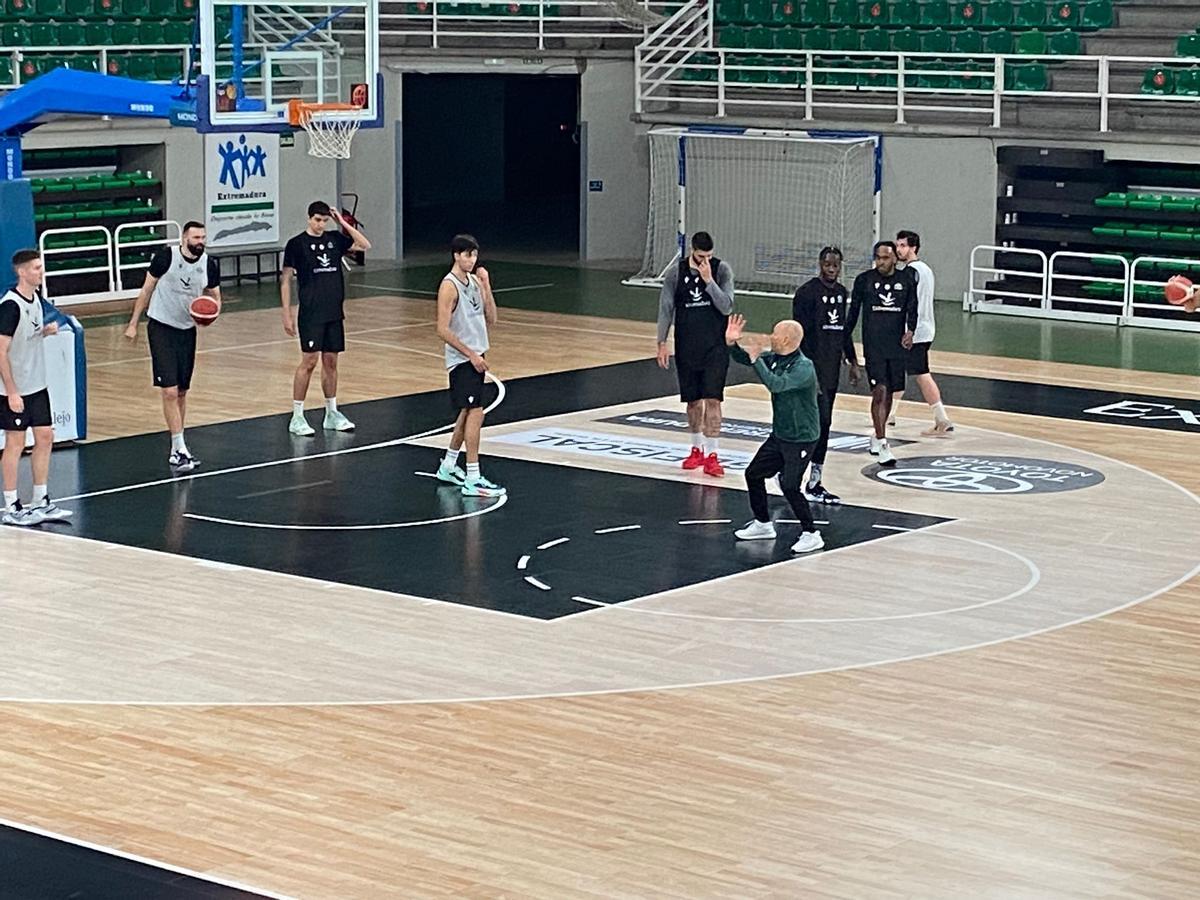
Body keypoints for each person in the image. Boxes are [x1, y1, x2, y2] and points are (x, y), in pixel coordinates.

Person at [124, 221, 221, 472]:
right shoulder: (166, 258)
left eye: (203, 237)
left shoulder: (209, 264)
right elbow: (146, 290)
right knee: (169, 390)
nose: (201, 241)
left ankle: (177, 447)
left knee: (181, 392)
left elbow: (215, 297)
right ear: (184, 239)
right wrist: (133, 323)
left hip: (187, 331)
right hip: (161, 326)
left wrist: (210, 314)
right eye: (196, 237)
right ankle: (179, 448)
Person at [726, 314, 823, 553]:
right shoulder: (776, 358)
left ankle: (812, 534)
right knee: (753, 474)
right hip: (781, 434)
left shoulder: (803, 367)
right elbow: (746, 359)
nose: (772, 336)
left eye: (776, 333)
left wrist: (756, 359)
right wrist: (731, 343)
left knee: (790, 486)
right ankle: (762, 524)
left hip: (802, 437)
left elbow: (776, 384)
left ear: (787, 339)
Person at [282, 200, 371, 436]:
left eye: (324, 220)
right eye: (317, 220)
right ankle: (297, 416)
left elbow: (364, 245)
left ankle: (331, 412)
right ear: (309, 218)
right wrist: (286, 313)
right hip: (311, 312)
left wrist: (342, 222)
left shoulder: (334, 239)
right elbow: (285, 280)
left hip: (333, 311)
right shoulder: (296, 244)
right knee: (309, 362)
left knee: (331, 362)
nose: (321, 224)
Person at [1, 250, 72, 526]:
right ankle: (11, 506)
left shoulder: (37, 300)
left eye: (41, 267)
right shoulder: (10, 306)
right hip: (14, 389)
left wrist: (45, 331)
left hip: (37, 385)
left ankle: (41, 499)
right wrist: (12, 391)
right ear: (21, 272)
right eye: (36, 268)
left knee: (45, 437)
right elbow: (1, 351)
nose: (41, 272)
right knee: (15, 443)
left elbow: (26, 335)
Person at [656, 231, 734, 477]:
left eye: (709, 256)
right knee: (693, 401)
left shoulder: (721, 270)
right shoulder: (675, 273)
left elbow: (727, 307)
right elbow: (666, 308)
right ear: (692, 251)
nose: (705, 261)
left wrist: (709, 281)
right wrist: (661, 342)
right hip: (687, 346)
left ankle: (713, 455)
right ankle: (696, 449)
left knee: (713, 399)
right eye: (701, 257)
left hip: (715, 347)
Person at [433, 234, 506, 498]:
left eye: (474, 255)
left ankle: (449, 465)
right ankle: (473, 477)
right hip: (463, 359)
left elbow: (492, 318)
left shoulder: (474, 281)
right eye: (467, 255)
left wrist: (486, 285)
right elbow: (442, 329)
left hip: (477, 355)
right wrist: (471, 355)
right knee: (476, 412)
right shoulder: (449, 286)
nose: (472, 260)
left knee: (467, 412)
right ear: (456, 255)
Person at [791, 246, 860, 504]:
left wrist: (853, 360)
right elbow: (796, 335)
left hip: (831, 371)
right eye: (827, 264)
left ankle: (815, 481)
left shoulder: (841, 293)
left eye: (836, 265)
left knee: (825, 424)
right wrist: (802, 370)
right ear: (820, 264)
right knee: (811, 424)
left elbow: (842, 330)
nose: (831, 269)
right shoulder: (806, 293)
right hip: (811, 371)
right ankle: (790, 473)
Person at [847, 241, 917, 468]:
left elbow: (913, 308)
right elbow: (853, 314)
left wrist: (911, 330)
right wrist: (847, 346)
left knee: (889, 393)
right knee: (880, 391)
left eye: (885, 258)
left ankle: (877, 436)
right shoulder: (864, 280)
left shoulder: (906, 280)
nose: (881, 262)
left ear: (895, 258)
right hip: (874, 346)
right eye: (877, 258)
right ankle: (883, 442)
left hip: (896, 346)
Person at [896, 230, 954, 436]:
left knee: (921, 374)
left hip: (914, 331)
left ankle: (942, 419)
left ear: (913, 247)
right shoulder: (926, 269)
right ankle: (889, 415)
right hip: (926, 328)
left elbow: (908, 303)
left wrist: (907, 329)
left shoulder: (909, 272)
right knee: (899, 370)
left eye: (903, 245)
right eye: (897, 245)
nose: (898, 249)